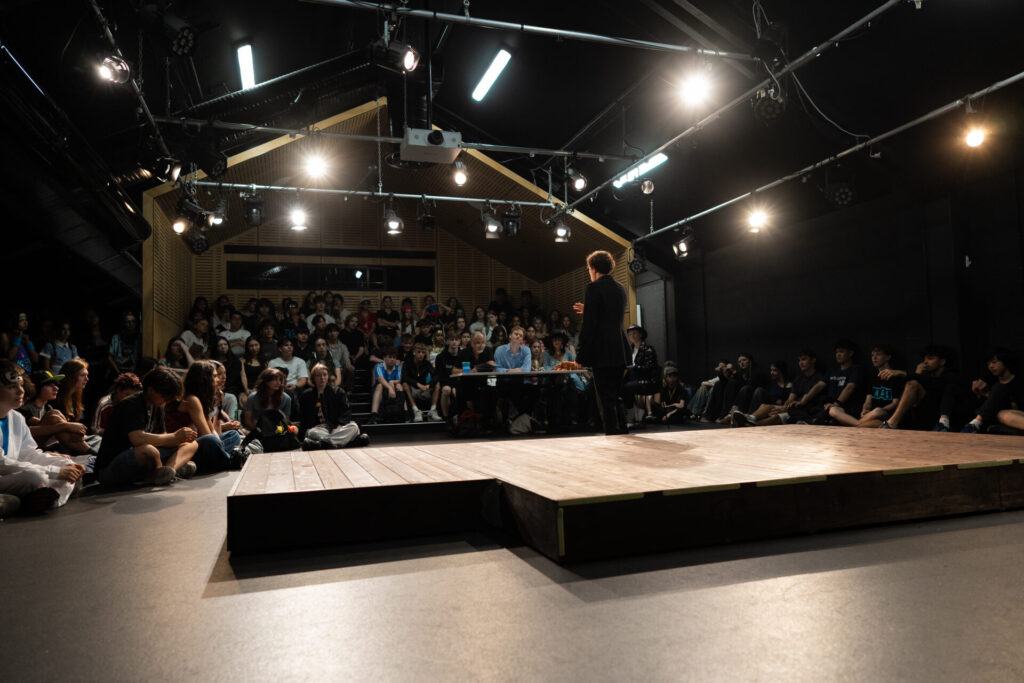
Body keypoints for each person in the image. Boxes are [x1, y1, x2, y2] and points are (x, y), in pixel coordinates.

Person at [94, 367, 199, 487]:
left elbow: (162, 437)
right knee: (149, 451)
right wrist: (174, 436)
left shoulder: (157, 406)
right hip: (110, 467)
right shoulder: (130, 405)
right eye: (164, 396)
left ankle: (168, 470)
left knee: (192, 444)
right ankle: (162, 472)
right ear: (151, 390)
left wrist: (180, 439)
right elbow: (137, 439)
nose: (166, 401)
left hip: (144, 460)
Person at [0, 361, 84, 512]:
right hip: (7, 476)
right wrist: (56, 472)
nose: (20, 391)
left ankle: (48, 499)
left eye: (20, 386)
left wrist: (64, 468)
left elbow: (29, 453)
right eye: (12, 387)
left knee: (67, 464)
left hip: (13, 476)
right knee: (34, 476)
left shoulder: (16, 418)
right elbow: (2, 464)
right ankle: (43, 497)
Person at [574, 250, 631, 435]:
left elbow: (590, 326)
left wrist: (581, 354)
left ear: (593, 268)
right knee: (616, 393)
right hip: (621, 347)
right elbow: (609, 314)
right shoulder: (621, 288)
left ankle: (612, 432)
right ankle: (622, 429)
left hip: (602, 350)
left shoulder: (593, 288)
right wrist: (589, 309)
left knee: (604, 396)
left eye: (588, 268)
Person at [162, 360, 241, 473]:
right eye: (214, 376)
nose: (218, 379)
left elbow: (212, 431)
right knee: (211, 440)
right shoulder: (192, 400)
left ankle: (221, 459)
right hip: (183, 447)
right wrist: (218, 444)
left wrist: (218, 409)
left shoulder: (201, 399)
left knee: (233, 435)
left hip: (198, 443)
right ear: (204, 380)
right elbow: (206, 435)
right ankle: (230, 460)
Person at [880, 345, 960, 431]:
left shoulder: (951, 376)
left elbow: (934, 383)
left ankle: (891, 424)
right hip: (917, 419)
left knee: (913, 384)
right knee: (869, 422)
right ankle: (889, 423)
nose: (925, 362)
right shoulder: (925, 375)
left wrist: (904, 373)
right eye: (924, 359)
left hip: (939, 421)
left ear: (942, 362)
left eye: (930, 359)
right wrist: (917, 374)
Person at [828, 345, 904, 428]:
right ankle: (858, 425)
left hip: (884, 413)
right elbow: (868, 400)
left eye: (878, 355)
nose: (874, 358)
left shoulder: (895, 377)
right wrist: (865, 409)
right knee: (833, 410)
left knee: (878, 411)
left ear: (887, 357)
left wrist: (881, 410)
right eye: (872, 355)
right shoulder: (872, 377)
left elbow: (895, 403)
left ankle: (856, 425)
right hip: (869, 415)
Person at [298, 363, 365, 448]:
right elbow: (303, 418)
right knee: (311, 433)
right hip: (319, 429)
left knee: (354, 427)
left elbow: (346, 412)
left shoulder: (338, 392)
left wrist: (339, 426)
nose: (322, 378)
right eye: (318, 375)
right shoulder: (306, 395)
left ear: (328, 376)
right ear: (313, 378)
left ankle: (322, 444)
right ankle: (342, 442)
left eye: (324, 375)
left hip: (337, 428)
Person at [959, 348, 1024, 434]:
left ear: (1005, 362)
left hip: (1013, 415)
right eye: (988, 364)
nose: (991, 366)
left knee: (1000, 390)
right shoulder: (991, 382)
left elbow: (1015, 407)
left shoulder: (1019, 382)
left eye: (994, 362)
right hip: (992, 418)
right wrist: (985, 394)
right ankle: (974, 423)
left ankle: (975, 424)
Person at [622, 324, 659, 423]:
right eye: (630, 334)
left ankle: (631, 414)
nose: (632, 336)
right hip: (635, 379)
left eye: (634, 333)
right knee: (619, 386)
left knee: (626, 387)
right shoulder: (630, 350)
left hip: (647, 381)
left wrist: (634, 367)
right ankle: (632, 412)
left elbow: (649, 368)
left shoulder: (648, 349)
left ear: (640, 334)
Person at [401, 343, 441, 422]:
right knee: (405, 384)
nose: (421, 355)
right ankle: (416, 410)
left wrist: (428, 385)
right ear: (414, 352)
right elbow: (404, 377)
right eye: (418, 352)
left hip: (424, 389)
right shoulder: (407, 363)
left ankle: (433, 410)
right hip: (413, 389)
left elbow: (436, 376)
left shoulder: (426, 363)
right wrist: (417, 384)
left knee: (437, 384)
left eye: (423, 352)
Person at [368, 347, 405, 424]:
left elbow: (399, 380)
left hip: (394, 389)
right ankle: (374, 416)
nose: (392, 359)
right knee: (380, 386)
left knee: (399, 385)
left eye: (394, 357)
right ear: (384, 358)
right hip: (381, 390)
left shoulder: (398, 367)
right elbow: (380, 379)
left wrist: (392, 382)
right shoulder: (379, 366)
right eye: (390, 357)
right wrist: (389, 388)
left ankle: (406, 414)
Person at [433, 331, 462, 419]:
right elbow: (441, 377)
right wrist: (453, 386)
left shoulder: (464, 355)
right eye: (451, 339)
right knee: (447, 390)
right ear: (447, 341)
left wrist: (456, 386)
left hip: (460, 383)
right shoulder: (440, 357)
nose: (454, 342)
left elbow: (466, 372)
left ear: (459, 341)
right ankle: (447, 418)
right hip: (446, 383)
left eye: (456, 339)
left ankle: (461, 416)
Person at [55, 359, 89, 425]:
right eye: (82, 375)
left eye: (87, 375)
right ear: (70, 376)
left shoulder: (76, 397)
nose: (87, 379)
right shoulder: (56, 397)